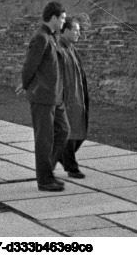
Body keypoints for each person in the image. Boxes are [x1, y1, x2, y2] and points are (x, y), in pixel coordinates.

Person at [16, 1, 69, 192]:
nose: (64, 22)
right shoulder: (41, 38)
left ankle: (47, 171)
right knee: (44, 139)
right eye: (62, 18)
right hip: (42, 97)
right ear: (53, 18)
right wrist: (27, 85)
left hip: (55, 97)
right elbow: (30, 66)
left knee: (63, 131)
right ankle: (45, 180)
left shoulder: (52, 37)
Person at [57, 18, 89, 179]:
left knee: (80, 133)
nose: (79, 34)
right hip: (67, 98)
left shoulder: (71, 49)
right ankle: (71, 167)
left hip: (78, 97)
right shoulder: (59, 49)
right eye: (76, 30)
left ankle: (58, 155)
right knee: (70, 134)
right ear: (66, 30)